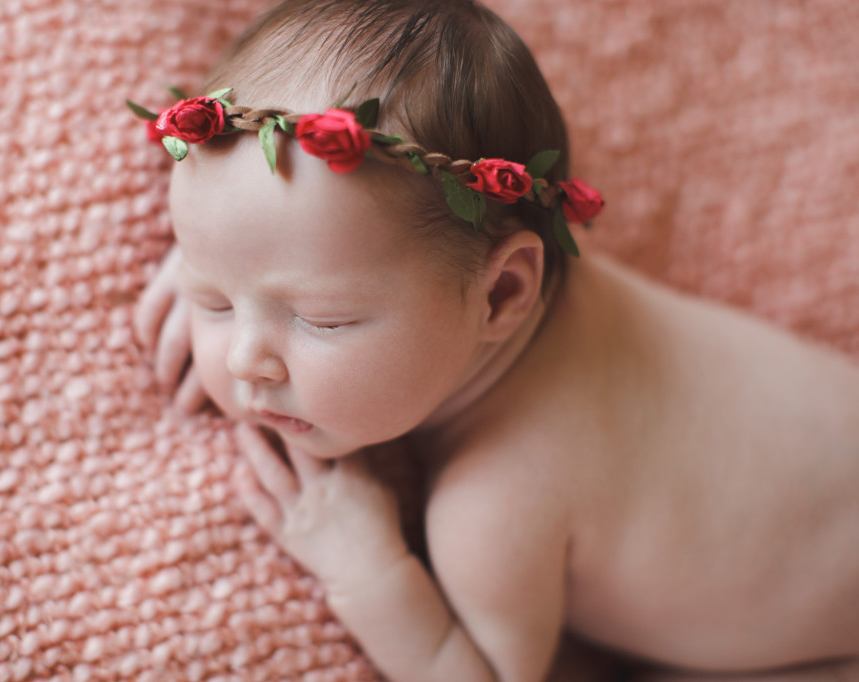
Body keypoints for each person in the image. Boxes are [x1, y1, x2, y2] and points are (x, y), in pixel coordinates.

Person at [132, 1, 859, 680]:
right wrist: (227, 256)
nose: (242, 358)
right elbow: (317, 232)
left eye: (322, 318)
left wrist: (368, 573)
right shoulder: (496, 255)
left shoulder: (495, 506)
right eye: (213, 298)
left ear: (505, 292)